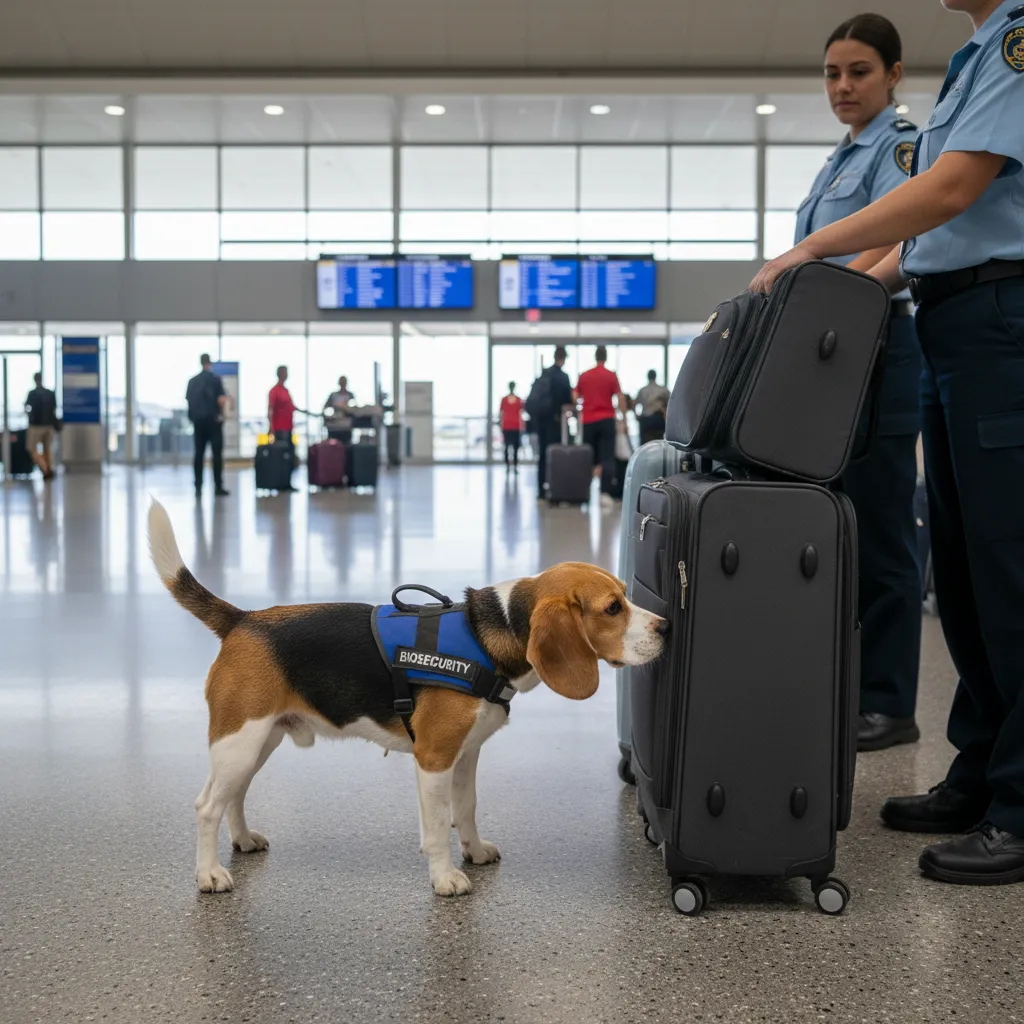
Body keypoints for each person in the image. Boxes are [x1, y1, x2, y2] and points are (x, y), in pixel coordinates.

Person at [751, 0, 1024, 885]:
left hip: (1001, 321)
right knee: (971, 568)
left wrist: (814, 252)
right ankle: (981, 773)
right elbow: (932, 237)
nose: (842, 87)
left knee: (1009, 567)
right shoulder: (976, 54)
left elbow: (947, 193)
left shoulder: (1019, 38)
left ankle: (1021, 804)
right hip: (957, 321)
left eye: (855, 71)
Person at [791, 13, 925, 753]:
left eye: (860, 72)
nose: (843, 86)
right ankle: (856, 689)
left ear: (894, 74)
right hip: (837, 349)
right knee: (841, 529)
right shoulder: (839, 160)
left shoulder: (898, 147)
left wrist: (829, 311)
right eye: (833, 74)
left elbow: (897, 238)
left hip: (877, 344)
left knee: (880, 531)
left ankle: (889, 702)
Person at [574, 346, 626, 508]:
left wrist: (581, 407)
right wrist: (623, 419)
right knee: (607, 458)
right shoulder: (611, 376)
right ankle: (605, 493)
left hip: (588, 420)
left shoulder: (584, 375)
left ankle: (585, 492)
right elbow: (620, 397)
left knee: (587, 457)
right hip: (606, 420)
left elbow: (575, 395)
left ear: (595, 356)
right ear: (606, 357)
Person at [527, 347, 574, 501]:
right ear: (564, 358)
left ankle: (541, 491)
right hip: (556, 423)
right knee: (557, 454)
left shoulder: (544, 374)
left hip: (541, 422)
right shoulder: (563, 377)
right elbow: (567, 400)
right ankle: (556, 489)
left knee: (542, 456)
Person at [185, 355, 230, 498]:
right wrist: (222, 416)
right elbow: (221, 400)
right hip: (213, 422)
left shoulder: (192, 381)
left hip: (198, 423)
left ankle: (198, 486)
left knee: (199, 454)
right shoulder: (215, 380)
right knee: (216, 455)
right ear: (210, 363)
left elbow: (189, 401)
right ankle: (218, 486)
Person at [268, 366, 309, 492]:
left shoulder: (285, 391)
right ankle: (280, 482)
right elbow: (270, 409)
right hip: (280, 429)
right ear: (280, 374)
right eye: (285, 373)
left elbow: (292, 407)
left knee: (290, 457)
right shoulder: (275, 391)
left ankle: (287, 482)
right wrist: (271, 428)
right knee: (282, 457)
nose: (287, 375)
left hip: (288, 427)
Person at [24, 373, 58, 481]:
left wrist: (30, 416)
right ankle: (48, 468)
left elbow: (26, 407)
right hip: (49, 425)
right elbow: (54, 409)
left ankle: (45, 469)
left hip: (36, 425)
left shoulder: (32, 394)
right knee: (48, 449)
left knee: (31, 448)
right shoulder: (50, 393)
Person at [635, 370, 671, 445]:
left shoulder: (642, 390)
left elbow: (634, 404)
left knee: (644, 443)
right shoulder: (663, 390)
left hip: (645, 420)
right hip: (658, 419)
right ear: (655, 376)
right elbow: (671, 402)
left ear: (647, 377)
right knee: (660, 442)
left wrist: (636, 415)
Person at [499, 381, 524, 472]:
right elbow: (501, 413)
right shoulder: (504, 399)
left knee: (516, 447)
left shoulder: (519, 399)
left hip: (516, 426)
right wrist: (501, 424)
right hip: (506, 425)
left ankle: (515, 466)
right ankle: (507, 466)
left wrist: (522, 425)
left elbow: (521, 412)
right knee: (506, 447)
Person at [323, 375, 354, 442]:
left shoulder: (350, 395)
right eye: (341, 381)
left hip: (346, 426)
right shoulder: (333, 395)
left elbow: (353, 409)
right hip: (334, 425)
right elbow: (326, 408)